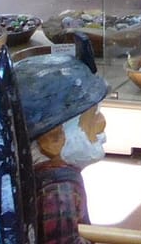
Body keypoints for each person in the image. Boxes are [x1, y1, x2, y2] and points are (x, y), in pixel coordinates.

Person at [17, 46, 111, 244]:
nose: (102, 123)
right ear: (52, 141)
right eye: (92, 118)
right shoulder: (57, 192)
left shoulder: (47, 180)